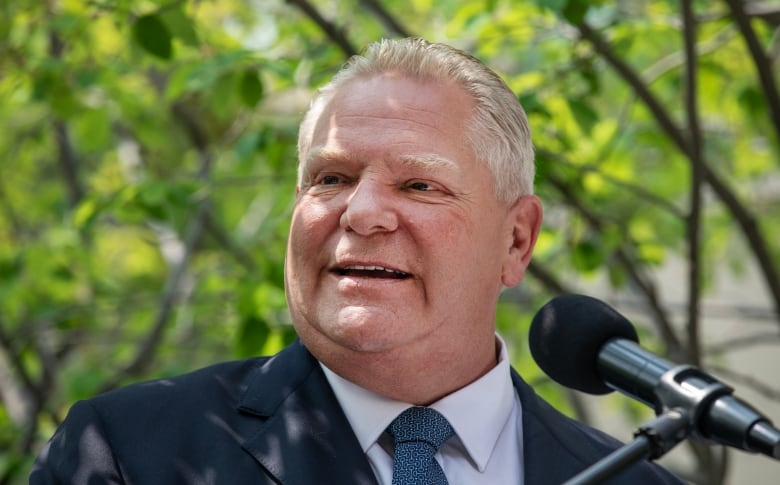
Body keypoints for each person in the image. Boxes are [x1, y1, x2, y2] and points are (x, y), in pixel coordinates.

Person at [30, 38, 683, 484]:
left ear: (516, 240)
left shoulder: (633, 479)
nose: (361, 212)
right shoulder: (129, 450)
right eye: (331, 178)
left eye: (419, 185)